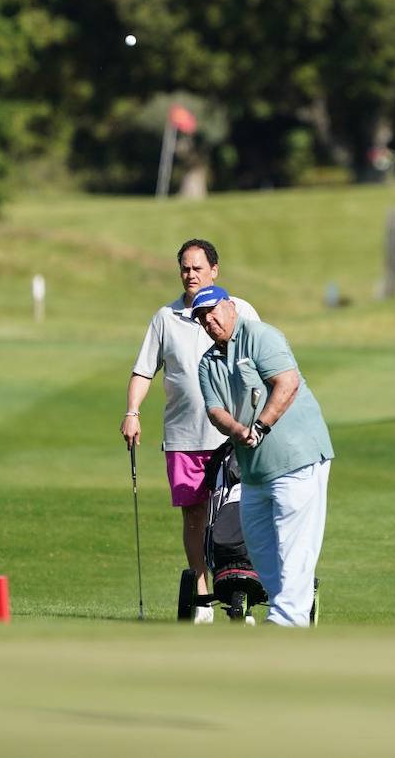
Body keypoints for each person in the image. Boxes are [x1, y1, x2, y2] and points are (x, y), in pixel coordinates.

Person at [121, 239, 259, 623]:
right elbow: (144, 370)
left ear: (214, 269)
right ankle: (202, 596)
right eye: (185, 268)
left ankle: (237, 593)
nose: (191, 274)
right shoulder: (165, 317)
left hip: (231, 436)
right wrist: (132, 412)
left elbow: (262, 361)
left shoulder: (240, 309)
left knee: (234, 515)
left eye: (198, 268)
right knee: (195, 518)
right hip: (184, 436)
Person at [192, 285, 333, 627]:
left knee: (294, 543)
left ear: (230, 307)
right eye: (202, 317)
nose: (209, 320)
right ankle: (286, 612)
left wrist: (262, 425)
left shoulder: (260, 336)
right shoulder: (208, 362)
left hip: (296, 455)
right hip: (254, 468)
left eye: (213, 311)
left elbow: (288, 382)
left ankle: (287, 621)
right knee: (258, 546)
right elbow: (214, 410)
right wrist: (238, 431)